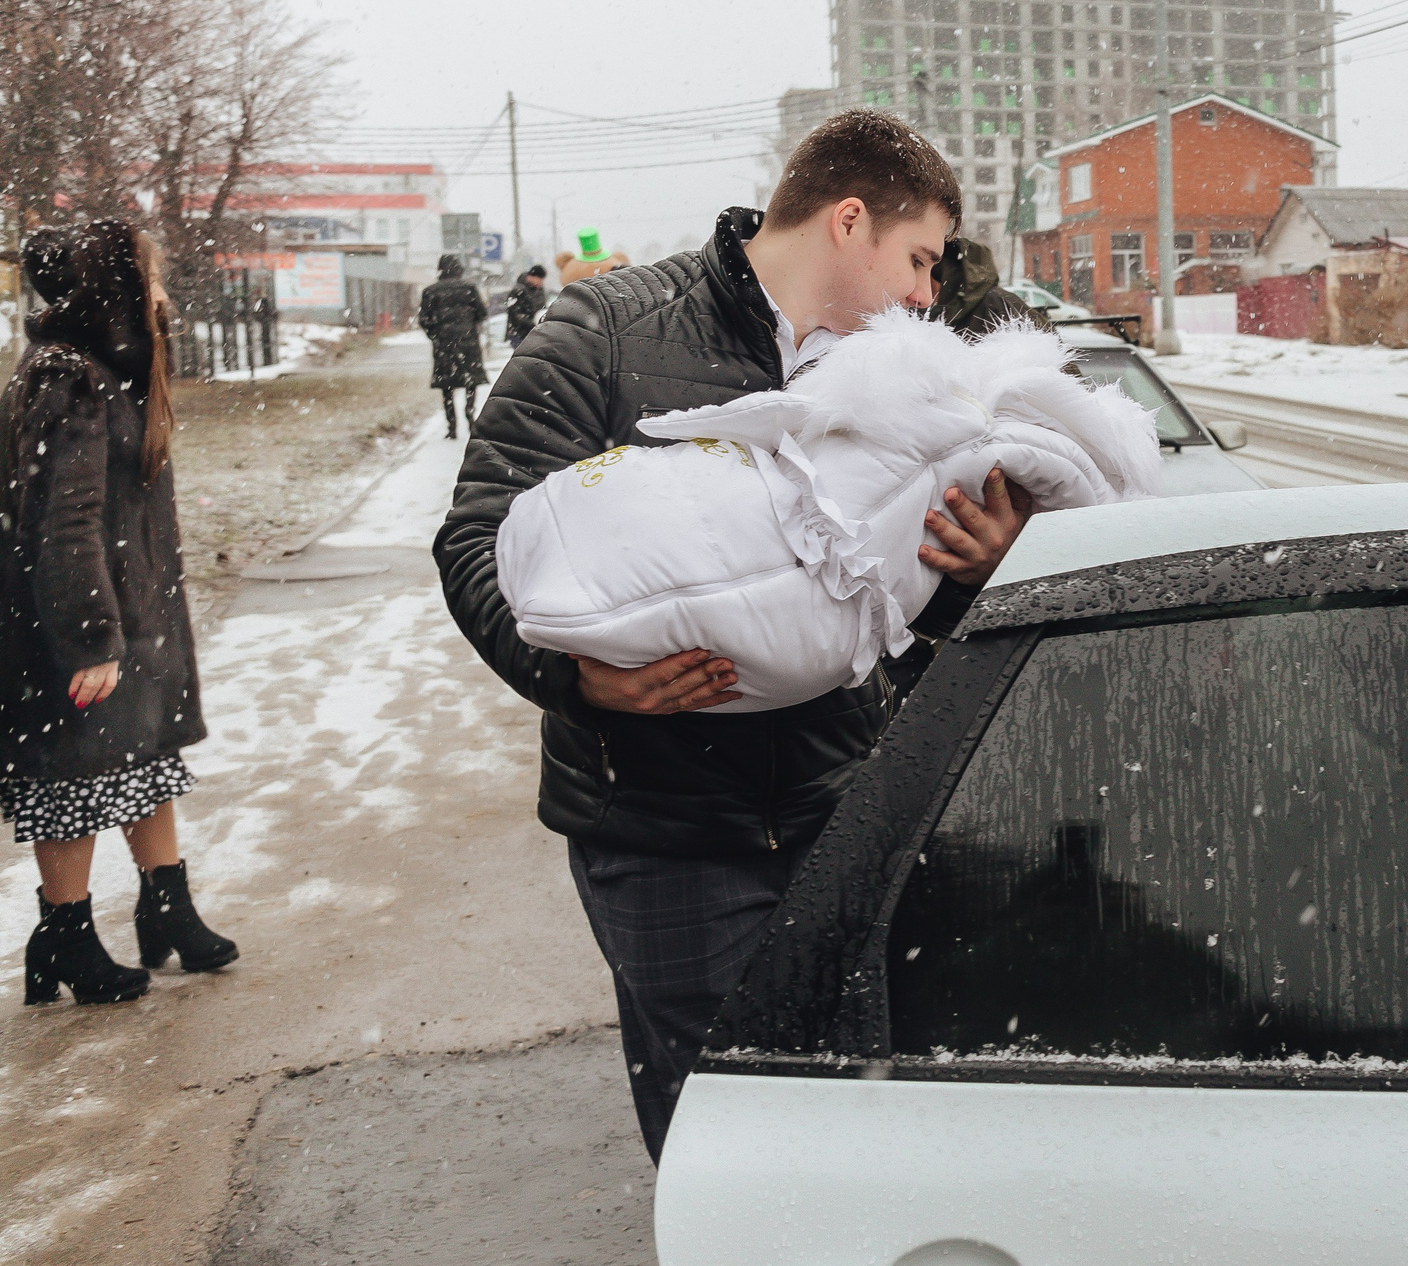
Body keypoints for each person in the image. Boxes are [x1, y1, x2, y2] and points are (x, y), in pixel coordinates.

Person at [434, 110, 1037, 1161]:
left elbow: (888, 598)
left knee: (853, 1111)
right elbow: (478, 534)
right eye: (919, 260)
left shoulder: (892, 378)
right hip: (663, 830)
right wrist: (572, 680)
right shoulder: (606, 333)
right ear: (848, 221)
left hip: (842, 807)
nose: (927, 296)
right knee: (722, 1128)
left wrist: (978, 566)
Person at [2, 220, 239, 1006]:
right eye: (150, 278)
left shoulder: (108, 369)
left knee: (146, 757)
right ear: (112, 290)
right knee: (69, 780)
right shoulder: (67, 375)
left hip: (131, 613)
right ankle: (64, 934)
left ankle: (165, 904)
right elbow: (61, 522)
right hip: (80, 627)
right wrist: (88, 638)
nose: (163, 294)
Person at [417, 254, 490, 440]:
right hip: (468, 344)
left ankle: (452, 425)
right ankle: (470, 414)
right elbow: (481, 313)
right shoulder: (469, 288)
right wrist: (470, 328)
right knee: (470, 382)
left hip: (444, 345)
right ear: (459, 269)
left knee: (446, 386)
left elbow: (424, 320)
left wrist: (436, 336)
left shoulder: (430, 292)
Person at [502, 263, 550, 346]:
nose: (541, 282)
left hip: (535, 333)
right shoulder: (518, 290)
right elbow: (515, 314)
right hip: (519, 333)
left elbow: (542, 308)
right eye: (540, 279)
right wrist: (532, 323)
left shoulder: (540, 291)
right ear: (532, 277)